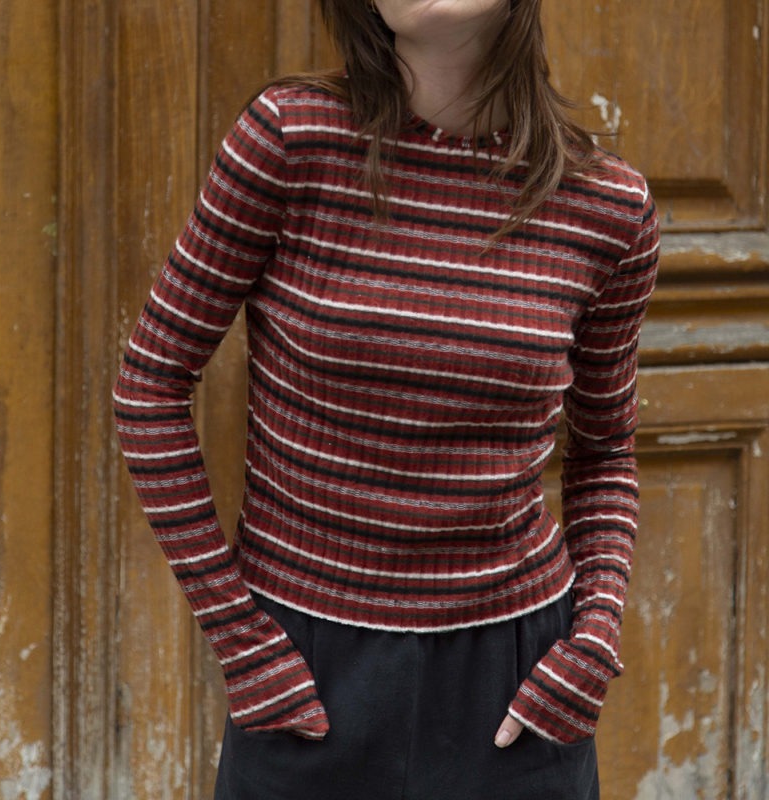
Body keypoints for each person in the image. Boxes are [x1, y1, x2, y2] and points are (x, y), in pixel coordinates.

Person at [113, 0, 660, 797]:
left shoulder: (607, 206)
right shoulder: (292, 141)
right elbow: (150, 386)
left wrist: (593, 640)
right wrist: (239, 634)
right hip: (307, 670)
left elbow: (606, 448)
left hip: (518, 680)